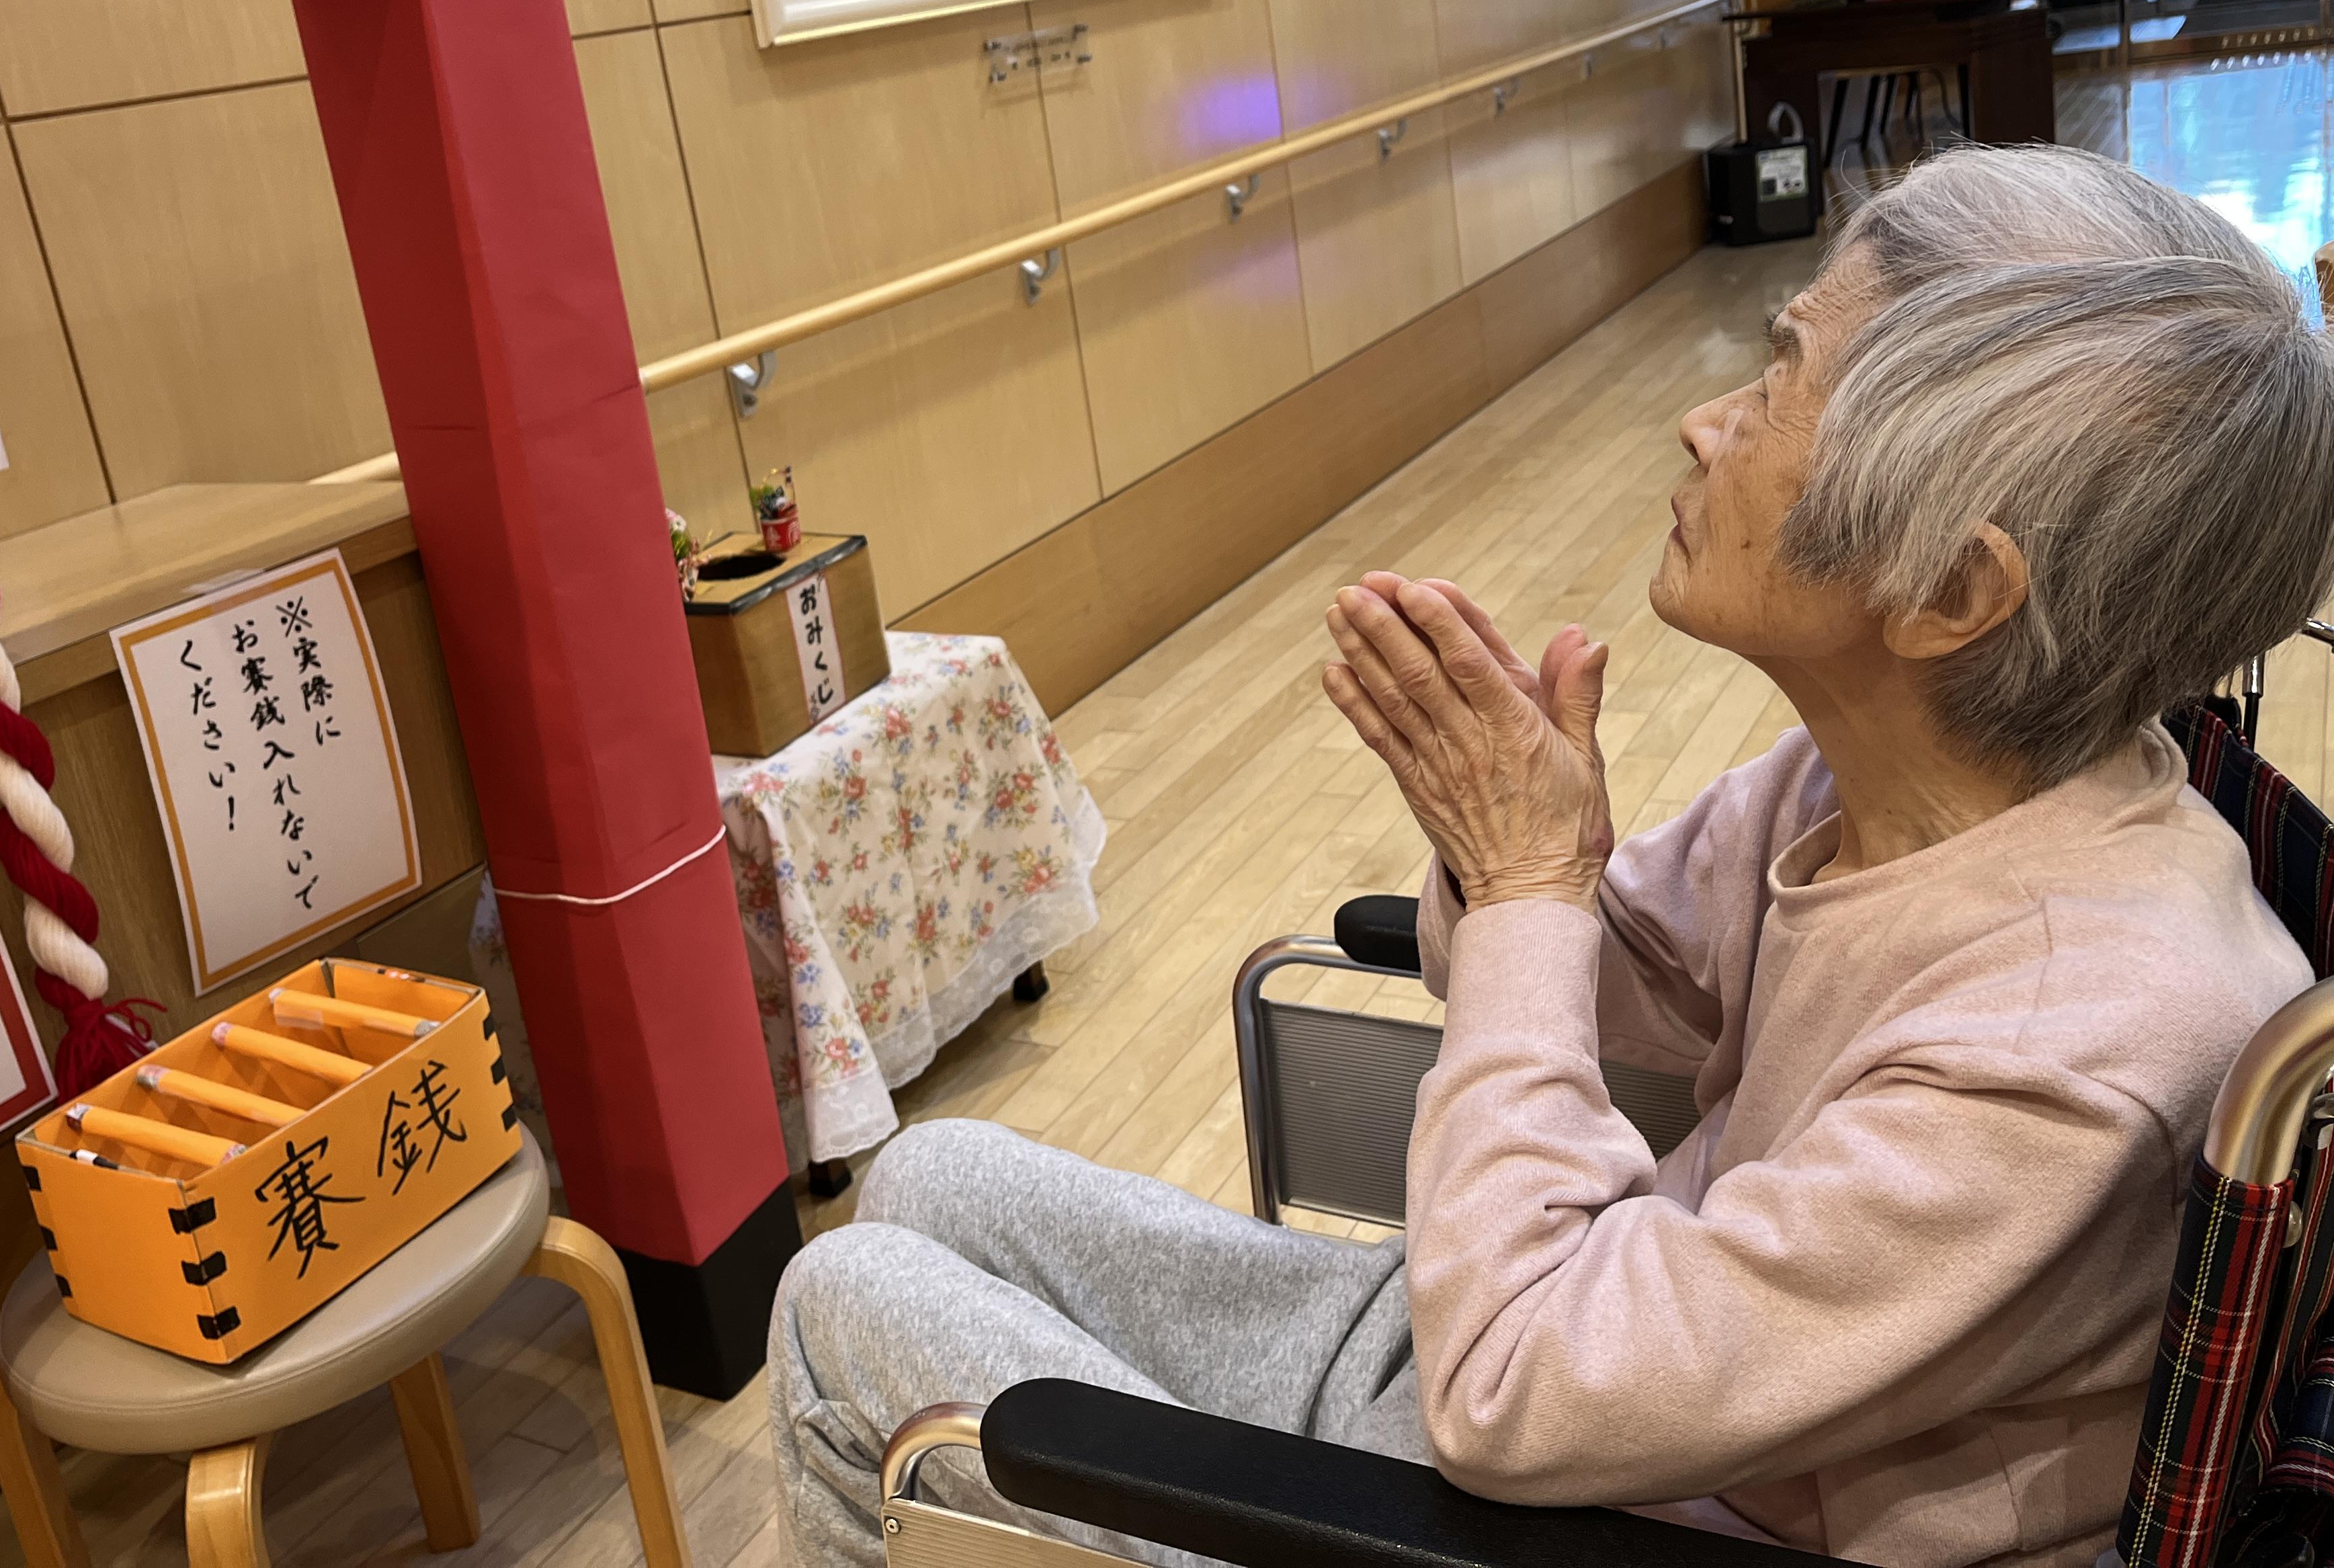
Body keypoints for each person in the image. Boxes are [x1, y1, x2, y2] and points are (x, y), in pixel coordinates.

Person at [767, 145, 2334, 1568]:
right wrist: (1524, 867)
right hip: (1587, 1362)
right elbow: (1594, 990)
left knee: (843, 1316)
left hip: (1598, 1492)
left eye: (1778, 379)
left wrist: (1527, 895)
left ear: (1950, 592)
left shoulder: (2075, 1052)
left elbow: (1515, 1391)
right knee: (925, 1172)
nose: (1705, 419)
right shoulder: (1906, 766)